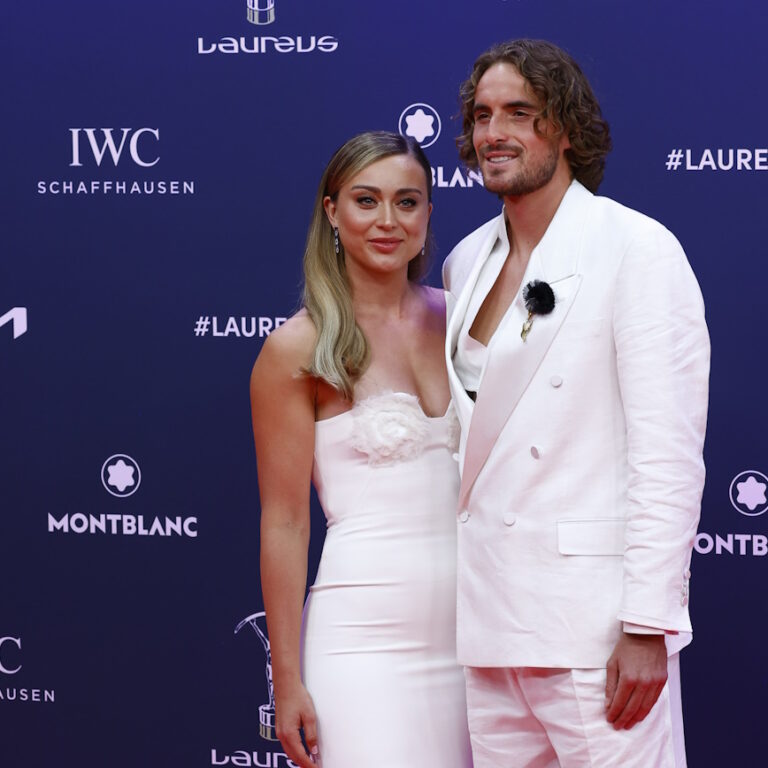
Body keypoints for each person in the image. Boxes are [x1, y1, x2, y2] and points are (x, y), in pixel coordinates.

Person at [443, 39, 709, 767]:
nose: (494, 133)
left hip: (594, 629)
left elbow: (666, 454)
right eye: (482, 116)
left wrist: (648, 623)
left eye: (519, 113)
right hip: (491, 628)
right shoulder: (466, 260)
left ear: (564, 128)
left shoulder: (635, 248)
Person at [250, 131, 472, 768]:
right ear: (332, 211)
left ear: (428, 213)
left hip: (481, 637)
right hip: (362, 644)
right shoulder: (297, 347)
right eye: (366, 200)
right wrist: (286, 679)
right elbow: (285, 523)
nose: (387, 221)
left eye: (407, 202)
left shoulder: (464, 321)